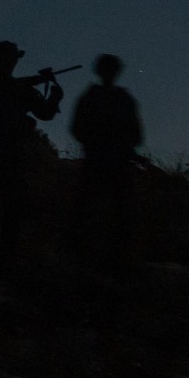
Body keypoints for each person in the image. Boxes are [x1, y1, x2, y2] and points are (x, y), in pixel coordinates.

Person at [0, 40, 66, 255]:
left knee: (0, 201)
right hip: (1, 149)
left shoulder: (13, 86)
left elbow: (44, 112)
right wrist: (52, 95)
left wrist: (52, 94)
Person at [70, 53, 146, 264]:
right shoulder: (95, 97)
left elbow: (136, 135)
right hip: (100, 160)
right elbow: (78, 129)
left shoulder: (121, 99)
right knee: (91, 210)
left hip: (115, 162)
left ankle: (117, 259)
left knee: (120, 213)